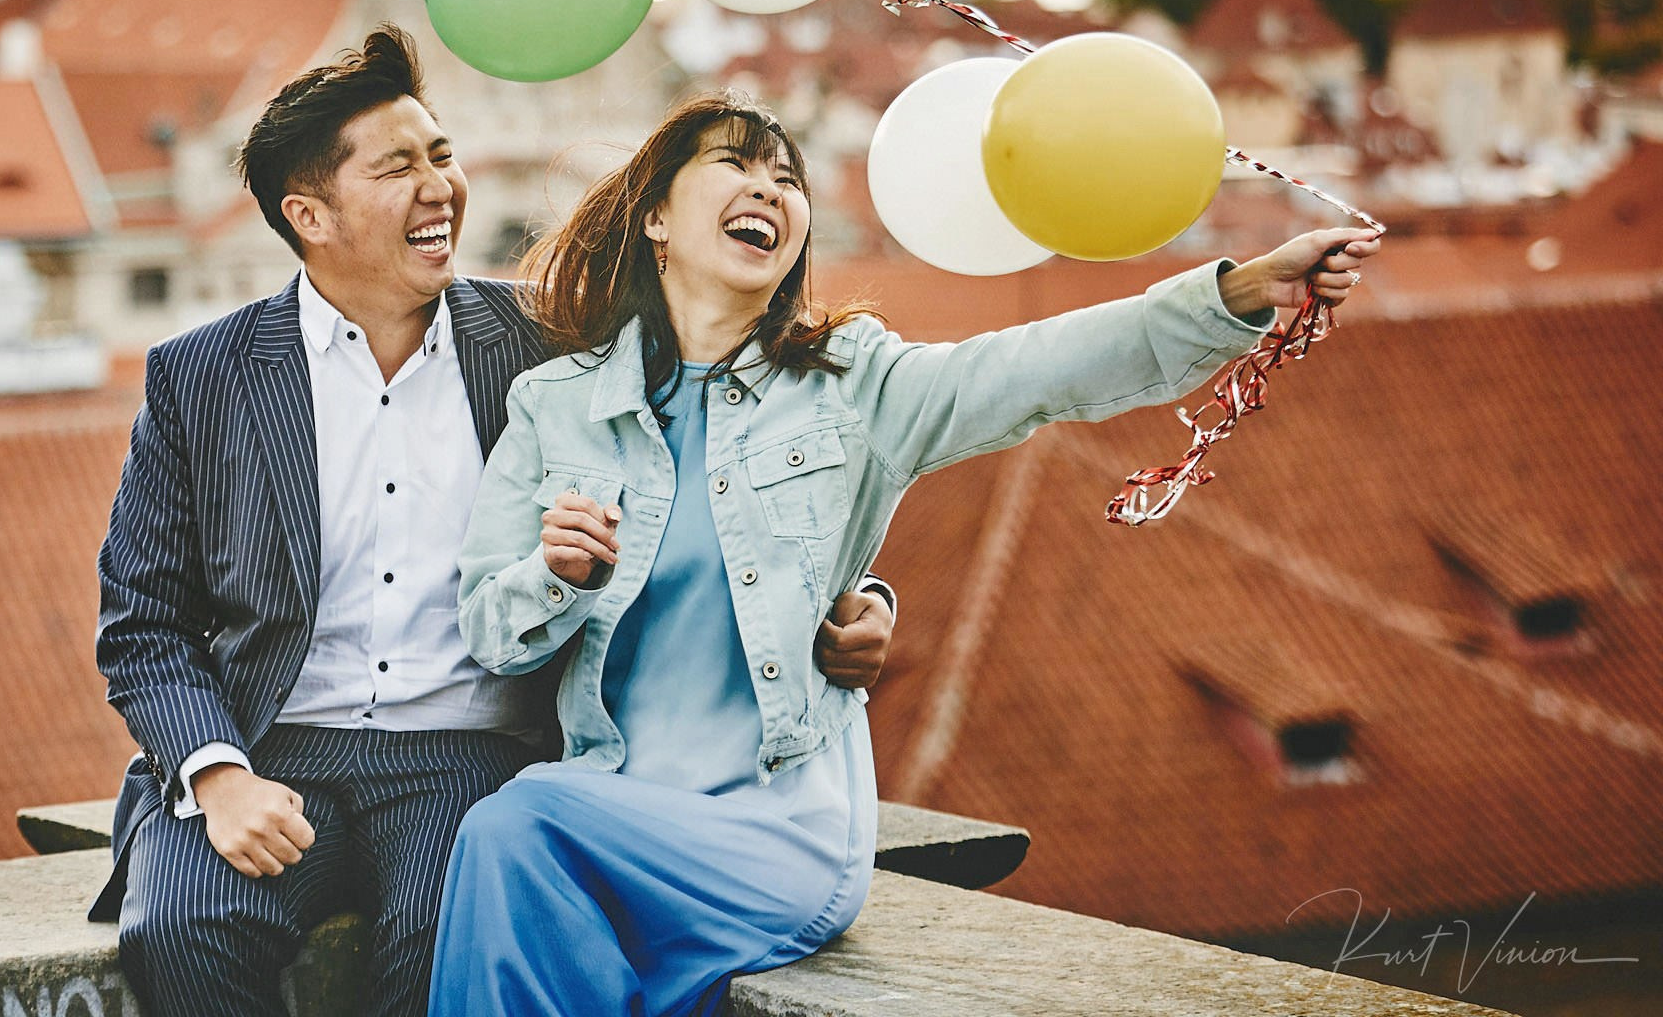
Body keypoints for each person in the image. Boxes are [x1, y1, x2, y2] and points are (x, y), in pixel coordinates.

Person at [431, 91, 1378, 1016]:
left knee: (514, 824)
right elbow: (490, 631)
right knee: (540, 874)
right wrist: (553, 577)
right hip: (613, 813)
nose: (770, 188)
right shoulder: (556, 404)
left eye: (788, 178)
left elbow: (1037, 370)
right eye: (733, 163)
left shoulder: (852, 386)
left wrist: (1245, 290)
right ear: (654, 221)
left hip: (775, 827)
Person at [91, 30, 900, 1017]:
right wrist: (216, 776)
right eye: (399, 167)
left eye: (442, 154)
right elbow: (143, 619)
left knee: (443, 943)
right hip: (266, 747)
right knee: (183, 934)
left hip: (466, 753)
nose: (442, 185)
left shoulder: (548, 344)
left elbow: (727, 451)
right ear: (310, 213)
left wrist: (855, 601)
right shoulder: (201, 374)